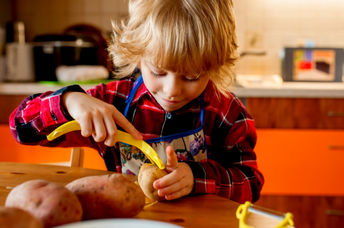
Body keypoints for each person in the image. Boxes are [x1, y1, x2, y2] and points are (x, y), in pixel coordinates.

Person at [9, 0, 264, 203]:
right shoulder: (114, 102)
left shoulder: (226, 112)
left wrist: (197, 178)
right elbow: (20, 126)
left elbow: (250, 185)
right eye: (158, 72)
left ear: (214, 66)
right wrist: (70, 101)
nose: (172, 90)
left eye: (191, 76)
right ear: (138, 56)